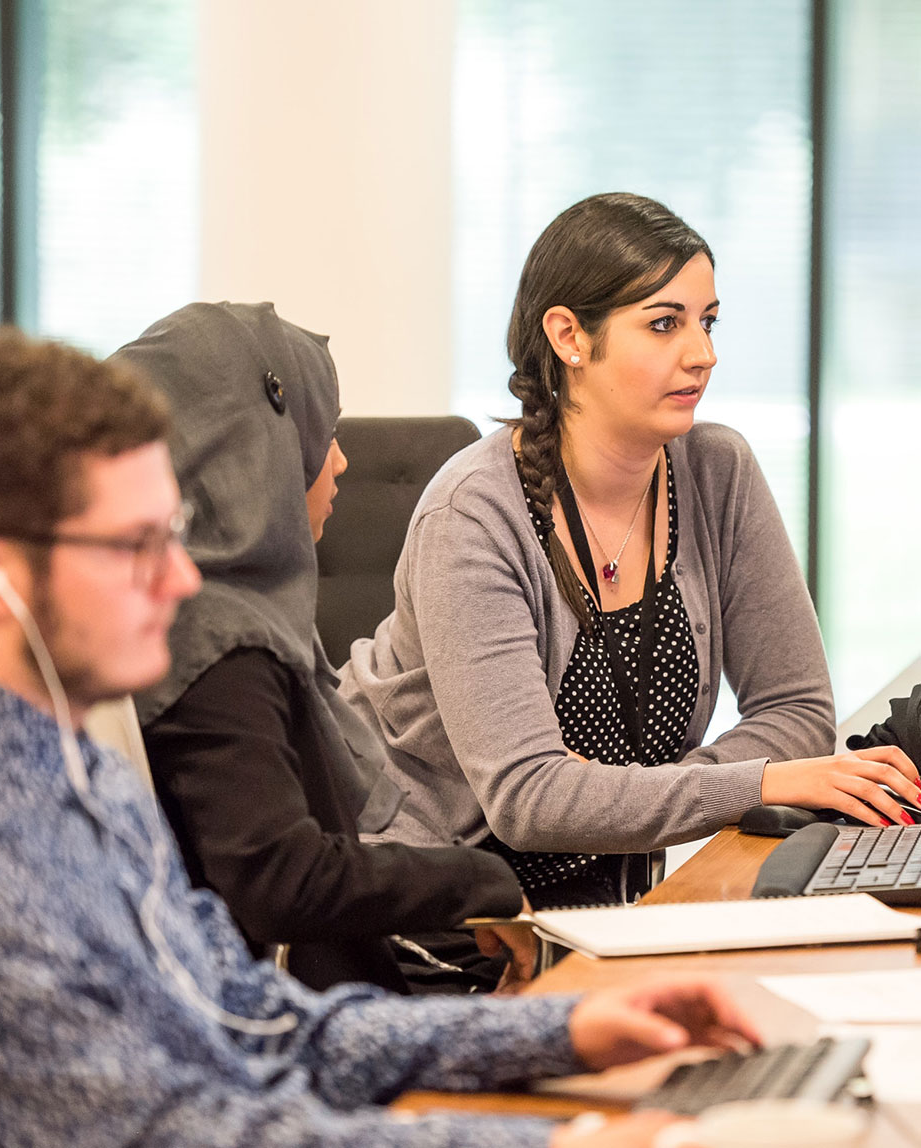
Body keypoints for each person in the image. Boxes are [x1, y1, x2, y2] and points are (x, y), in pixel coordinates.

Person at [0, 327, 759, 1148]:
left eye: (172, 533)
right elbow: (169, 1126)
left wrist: (560, 1032)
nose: (181, 578)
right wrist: (549, 1143)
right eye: (135, 544)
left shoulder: (72, 770)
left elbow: (254, 1020)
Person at [339, 192, 920, 909]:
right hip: (445, 912)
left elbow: (797, 710)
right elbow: (528, 798)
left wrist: (616, 793)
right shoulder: (475, 514)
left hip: (613, 903)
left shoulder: (716, 470)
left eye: (706, 322)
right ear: (569, 337)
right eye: (664, 324)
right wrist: (758, 780)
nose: (703, 354)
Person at [114, 301, 534, 995]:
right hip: (299, 1022)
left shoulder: (209, 615)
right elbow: (280, 880)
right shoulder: (219, 644)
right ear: (253, 448)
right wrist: (476, 882)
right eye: (323, 433)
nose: (340, 461)